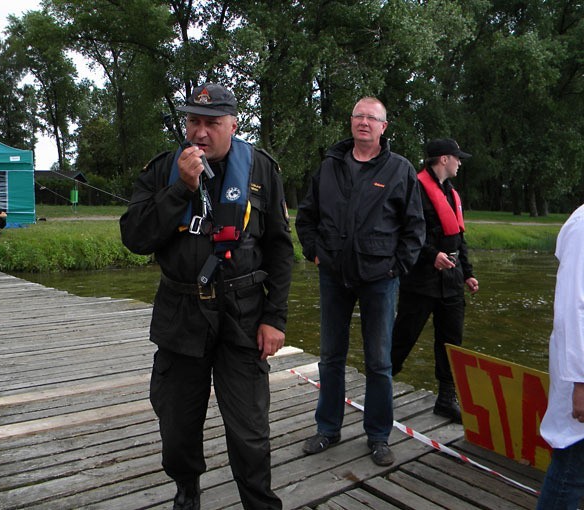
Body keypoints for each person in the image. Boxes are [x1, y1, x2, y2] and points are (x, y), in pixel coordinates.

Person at [120, 83, 293, 510]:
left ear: (233, 125)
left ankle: (258, 502)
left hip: (244, 314)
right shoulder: (163, 169)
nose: (200, 132)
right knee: (177, 423)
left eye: (212, 123)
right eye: (193, 121)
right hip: (181, 313)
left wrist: (276, 317)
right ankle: (187, 489)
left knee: (250, 430)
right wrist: (180, 187)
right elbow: (135, 237)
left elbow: (280, 249)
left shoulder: (261, 169)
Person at [295, 97, 425, 466]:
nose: (364, 122)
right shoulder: (329, 166)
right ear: (350, 122)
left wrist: (395, 267)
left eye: (372, 117)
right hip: (334, 275)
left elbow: (415, 228)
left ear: (384, 127)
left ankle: (379, 435)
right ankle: (327, 428)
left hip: (379, 278)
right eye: (358, 116)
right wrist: (314, 252)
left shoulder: (400, 170)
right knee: (330, 356)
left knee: (379, 361)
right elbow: (306, 218)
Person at [391, 139, 479, 424]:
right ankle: (380, 387)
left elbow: (458, 237)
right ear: (444, 159)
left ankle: (446, 397)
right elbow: (407, 232)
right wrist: (431, 256)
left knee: (451, 340)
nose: (460, 163)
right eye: (457, 158)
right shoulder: (415, 188)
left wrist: (468, 273)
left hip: (451, 279)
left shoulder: (452, 193)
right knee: (403, 336)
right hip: (421, 279)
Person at [536, 204, 584, 510]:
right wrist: (581, 381)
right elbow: (571, 309)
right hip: (579, 370)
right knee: (572, 463)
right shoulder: (583, 226)